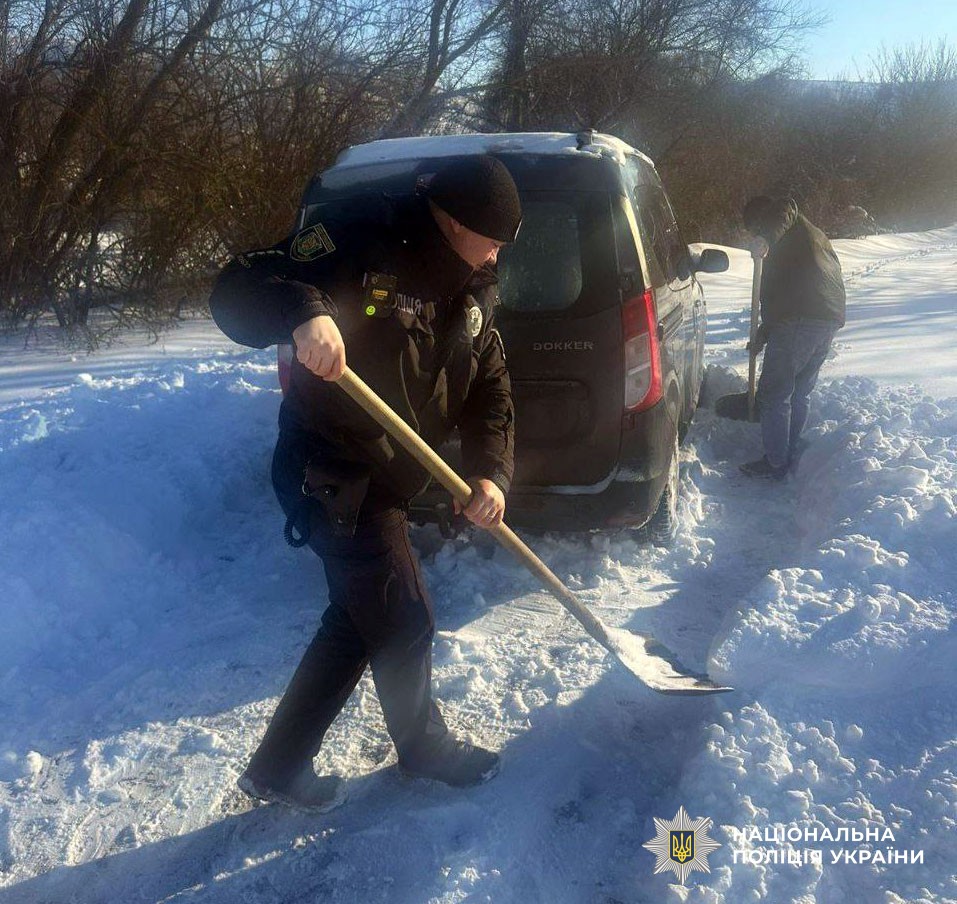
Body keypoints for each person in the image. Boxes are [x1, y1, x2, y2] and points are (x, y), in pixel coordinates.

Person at [209, 154, 522, 811]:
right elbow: (241, 283)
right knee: (403, 617)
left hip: (391, 473)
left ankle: (276, 769)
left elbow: (491, 388)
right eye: (491, 238)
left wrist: (490, 470)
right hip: (334, 475)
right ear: (449, 221)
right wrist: (302, 309)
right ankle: (423, 748)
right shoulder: (360, 233)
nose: (497, 254)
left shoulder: (476, 285)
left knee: (356, 622)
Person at [740, 196, 846, 478]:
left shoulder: (783, 215)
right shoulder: (806, 239)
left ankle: (776, 462)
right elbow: (781, 297)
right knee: (799, 390)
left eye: (754, 229)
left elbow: (783, 206)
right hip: (826, 318)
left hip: (801, 318)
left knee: (775, 393)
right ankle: (788, 448)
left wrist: (765, 237)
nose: (754, 235)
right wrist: (763, 336)